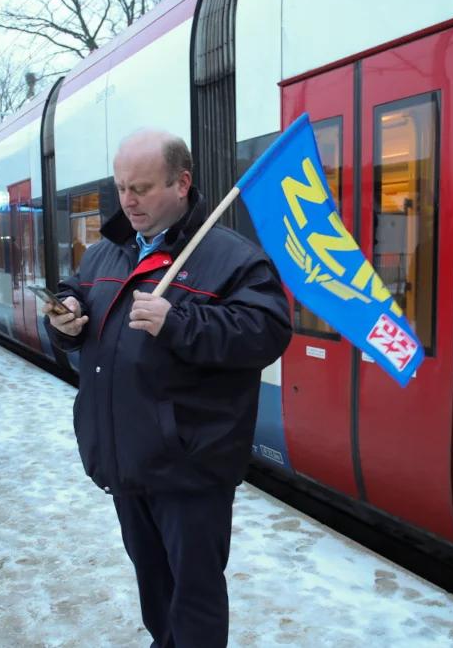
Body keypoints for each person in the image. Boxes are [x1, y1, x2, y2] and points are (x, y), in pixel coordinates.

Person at [45, 130, 291, 647]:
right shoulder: (107, 253)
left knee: (194, 599)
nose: (127, 201)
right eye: (121, 187)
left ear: (182, 184)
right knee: (155, 591)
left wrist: (178, 322)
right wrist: (64, 319)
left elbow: (265, 333)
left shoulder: (231, 258)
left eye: (141, 188)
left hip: (189, 464)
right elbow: (79, 301)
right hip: (125, 455)